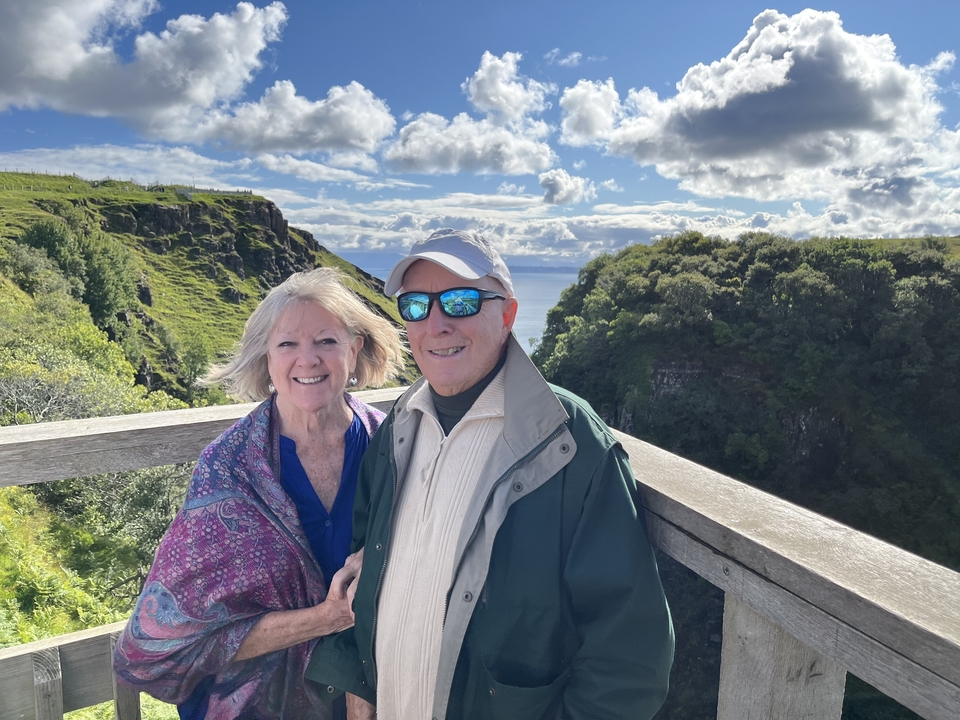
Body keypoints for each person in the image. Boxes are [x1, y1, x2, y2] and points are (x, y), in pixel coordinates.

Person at [306, 229, 674, 719]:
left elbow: (629, 657)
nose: (436, 323)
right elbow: (366, 565)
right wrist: (359, 695)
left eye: (460, 301)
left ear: (507, 314)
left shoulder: (569, 443)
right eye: (416, 305)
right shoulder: (399, 425)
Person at [113, 267, 405, 719]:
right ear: (266, 359)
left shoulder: (392, 447)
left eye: (326, 341)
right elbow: (156, 640)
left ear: (354, 348)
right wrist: (326, 618)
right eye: (287, 344)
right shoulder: (228, 468)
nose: (307, 360)